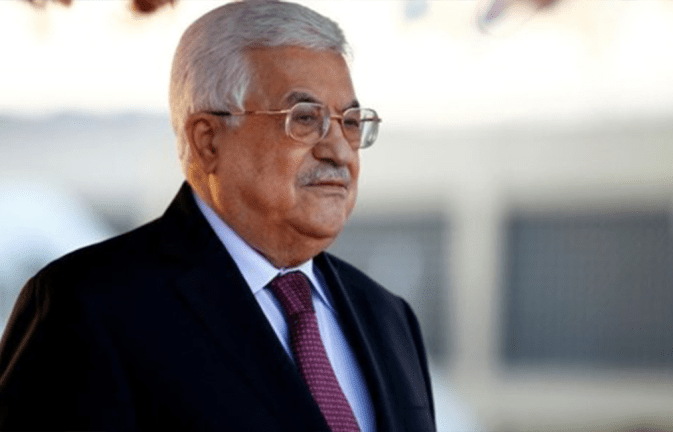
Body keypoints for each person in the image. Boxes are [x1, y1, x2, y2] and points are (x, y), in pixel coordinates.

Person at [0, 1, 436, 431]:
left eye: (351, 122)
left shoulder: (388, 317)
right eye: (305, 118)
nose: (339, 150)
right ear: (208, 141)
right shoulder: (89, 306)